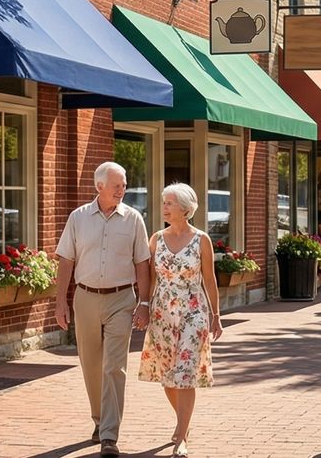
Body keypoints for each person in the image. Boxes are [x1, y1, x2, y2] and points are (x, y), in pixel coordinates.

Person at [55, 162, 151, 458]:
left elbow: (142, 264)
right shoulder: (78, 218)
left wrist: (144, 302)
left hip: (122, 299)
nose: (122, 190)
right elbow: (66, 261)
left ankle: (109, 434)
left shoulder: (133, 219)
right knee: (91, 365)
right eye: (117, 185)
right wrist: (60, 301)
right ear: (99, 187)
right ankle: (98, 419)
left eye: (124, 184)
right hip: (84, 298)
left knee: (113, 366)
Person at [138, 183, 223, 457]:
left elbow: (209, 280)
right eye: (163, 202)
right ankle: (182, 421)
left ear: (185, 209)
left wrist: (216, 316)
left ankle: (182, 437)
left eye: (169, 203)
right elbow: (151, 280)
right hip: (162, 313)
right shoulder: (156, 239)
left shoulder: (202, 240)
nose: (164, 207)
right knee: (167, 377)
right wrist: (145, 307)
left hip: (193, 313)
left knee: (186, 374)